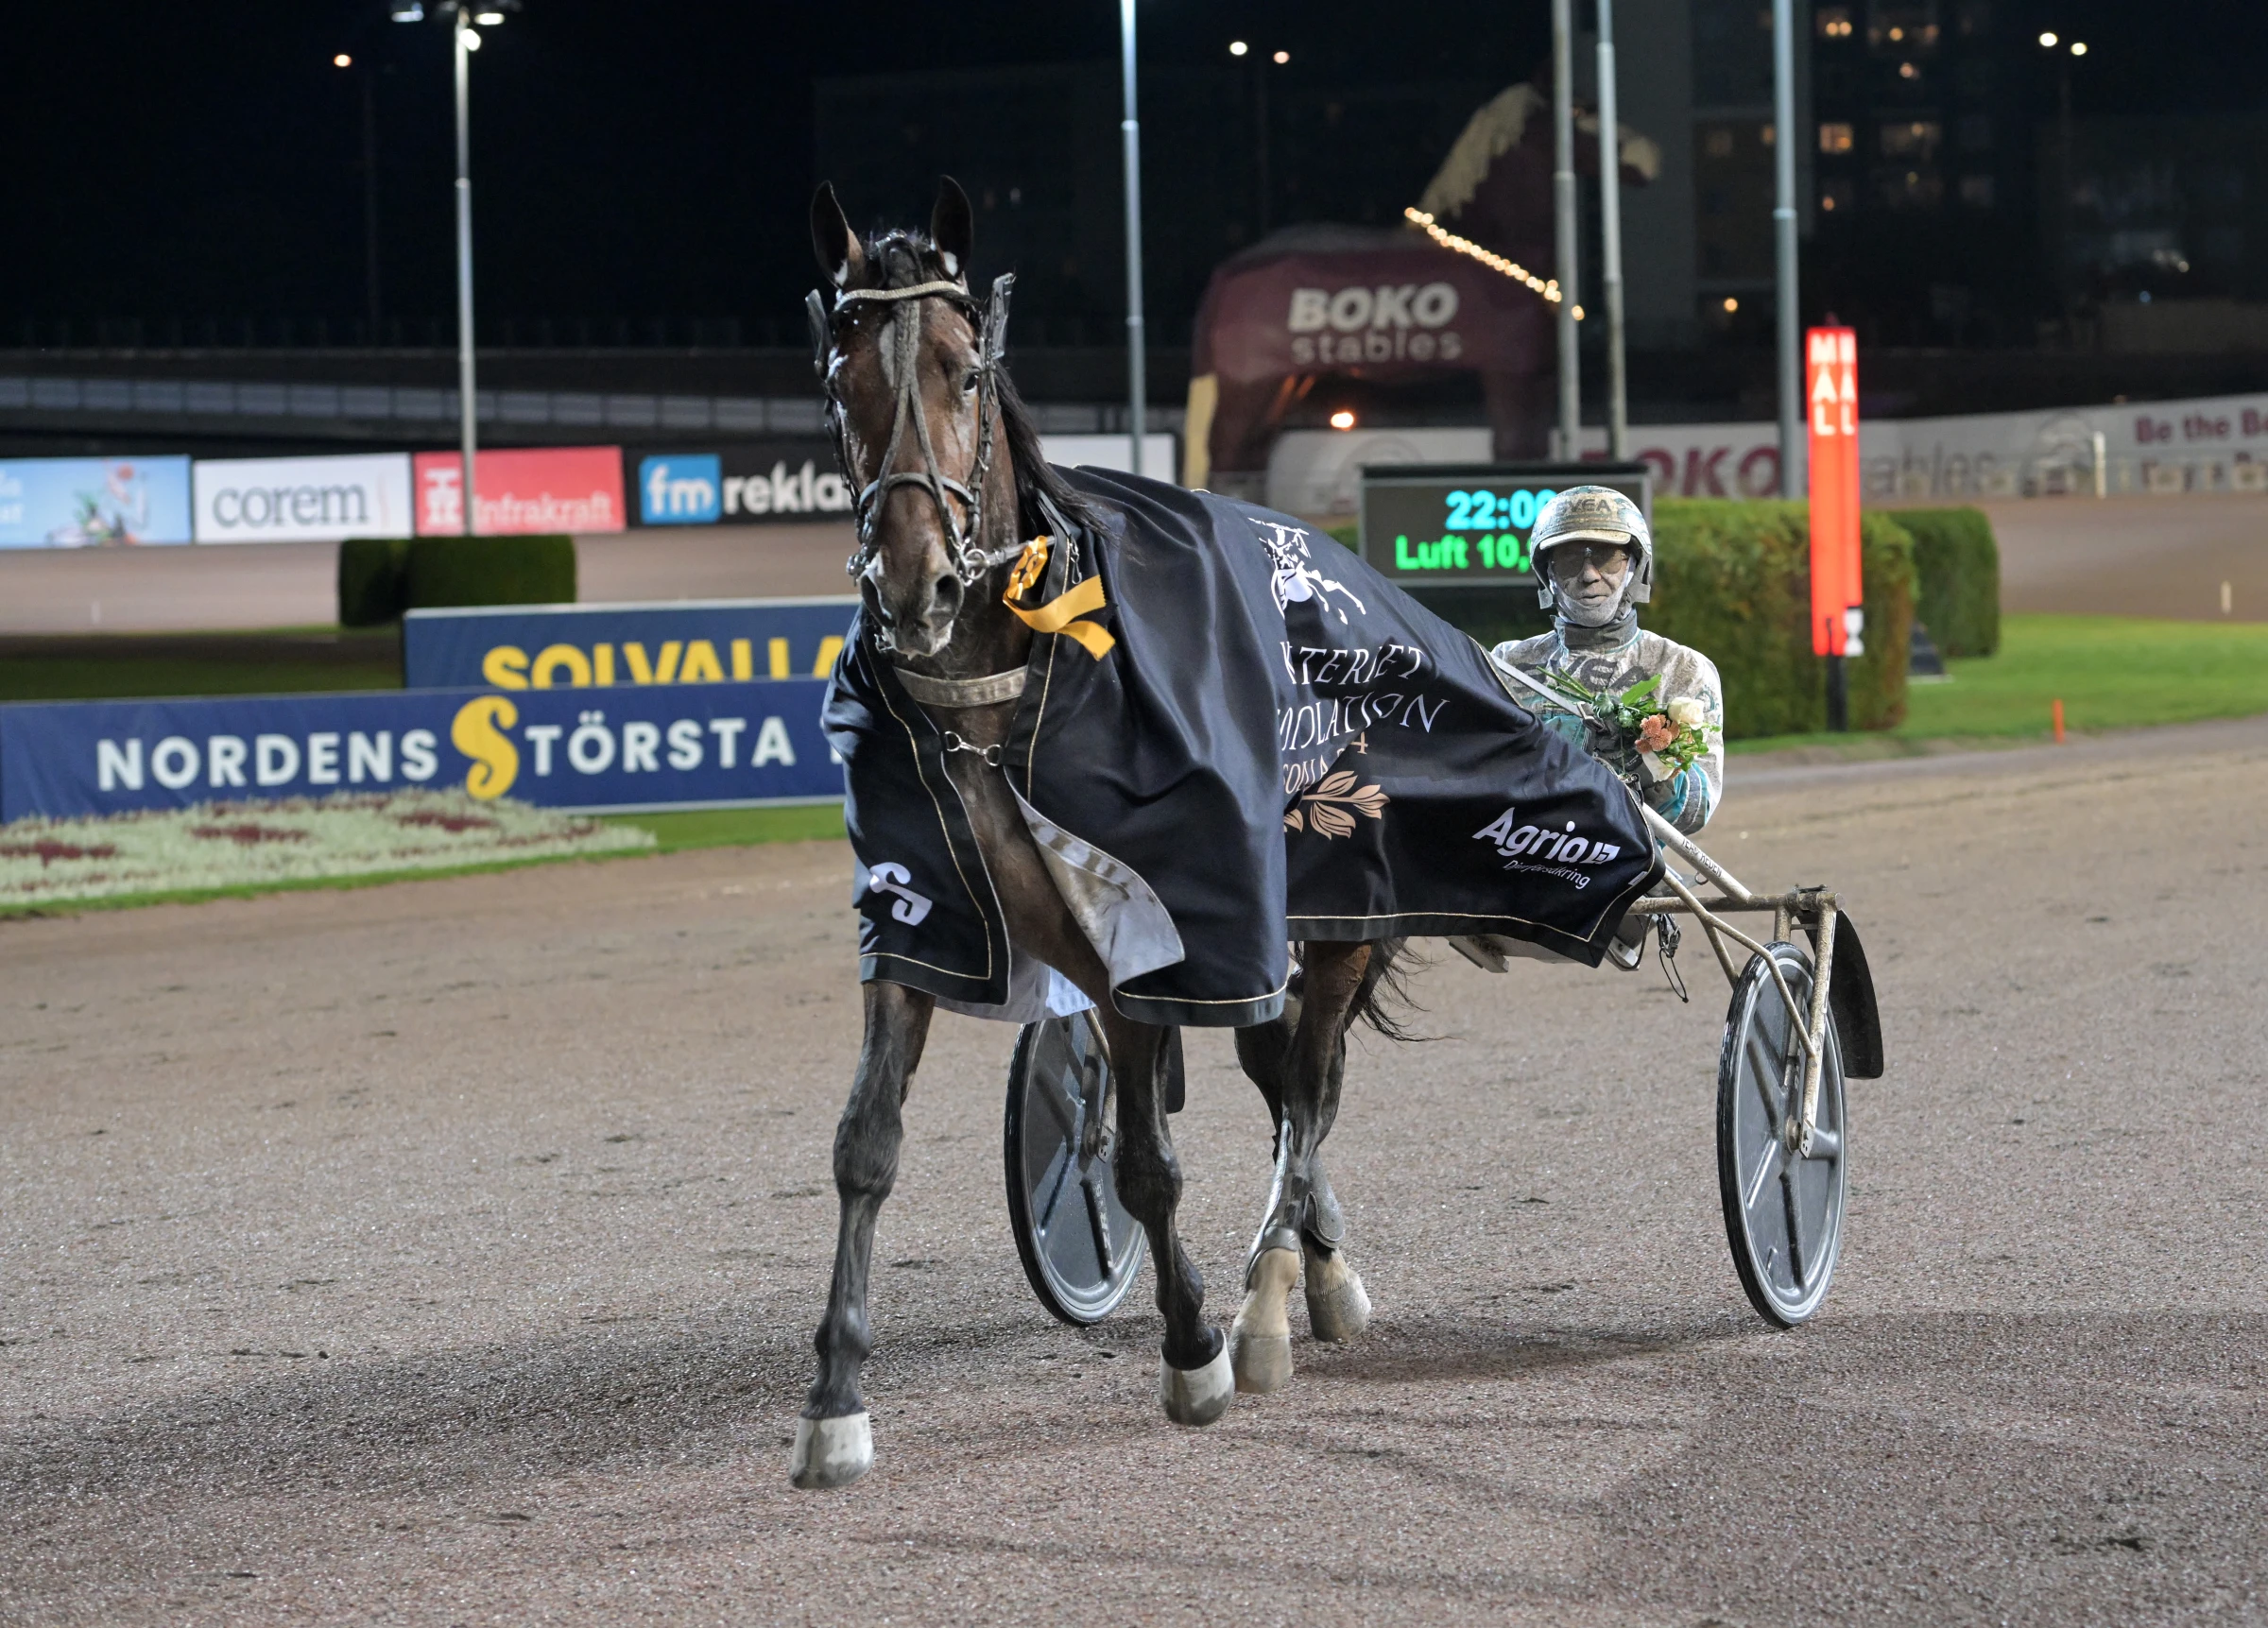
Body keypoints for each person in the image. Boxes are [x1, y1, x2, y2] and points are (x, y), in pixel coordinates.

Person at [1490, 485, 1723, 835]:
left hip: (1637, 874)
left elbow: (1696, 811)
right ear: (1546, 573)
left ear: (1635, 566)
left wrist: (1650, 766)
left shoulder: (1682, 667)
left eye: (1606, 557)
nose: (1588, 575)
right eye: (1570, 559)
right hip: (1524, 862)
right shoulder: (1508, 664)